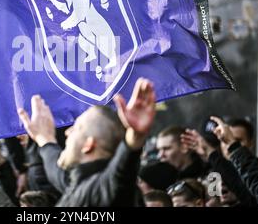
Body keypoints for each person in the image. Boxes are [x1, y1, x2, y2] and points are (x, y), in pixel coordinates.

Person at [17, 78, 156, 206]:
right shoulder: (77, 184)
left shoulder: (100, 191)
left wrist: (134, 137)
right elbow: (57, 171)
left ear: (88, 145)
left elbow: (121, 175)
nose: (67, 132)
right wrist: (45, 139)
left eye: (77, 128)